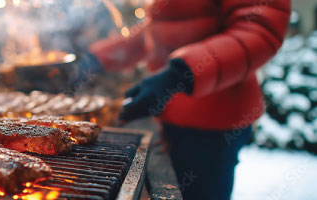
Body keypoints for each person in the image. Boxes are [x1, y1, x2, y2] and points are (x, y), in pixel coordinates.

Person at [88, 0, 291, 199]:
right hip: (170, 115)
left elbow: (259, 31)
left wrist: (179, 74)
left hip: (215, 122)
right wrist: (96, 58)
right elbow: (156, 32)